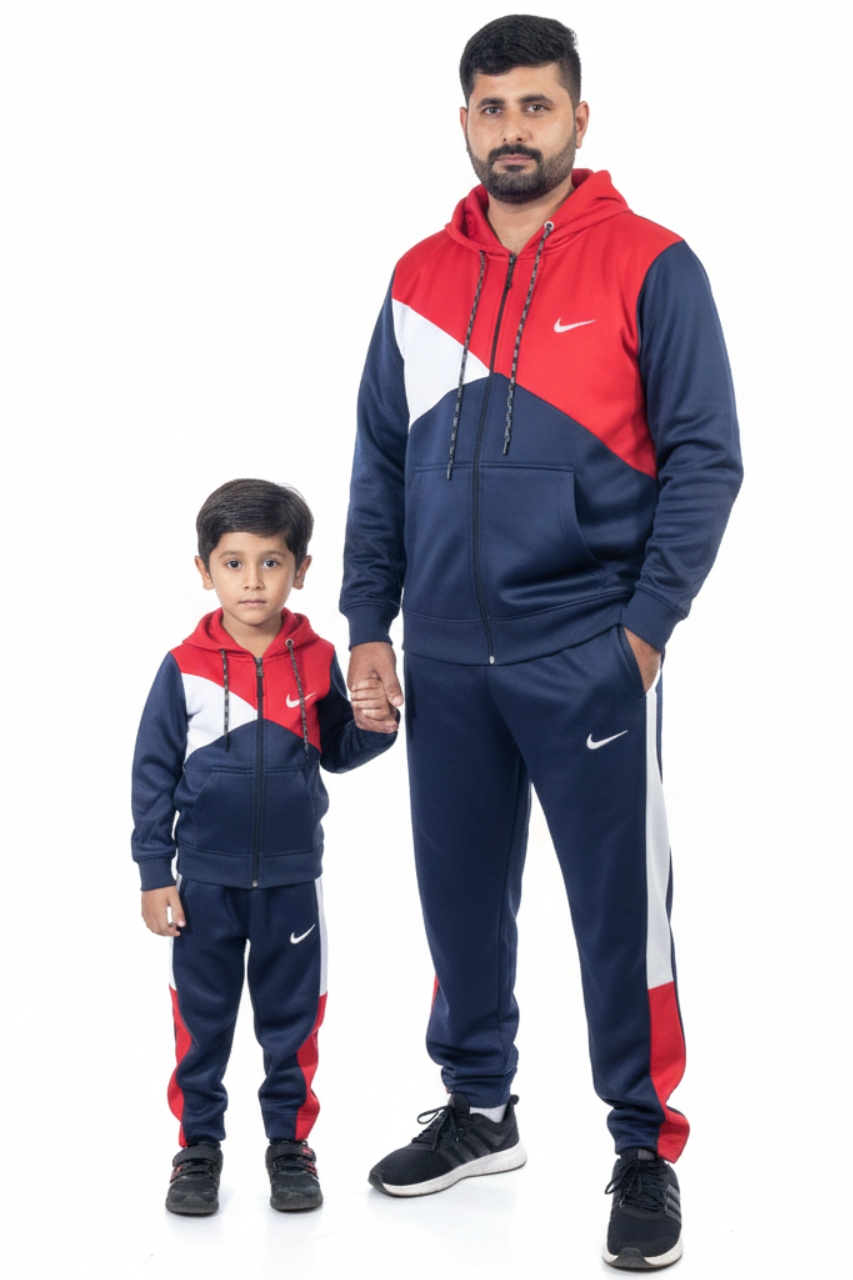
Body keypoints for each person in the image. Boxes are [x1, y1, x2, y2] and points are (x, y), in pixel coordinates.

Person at [341, 14, 742, 1270]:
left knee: (619, 912)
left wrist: (644, 631)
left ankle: (641, 1144)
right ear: (464, 121)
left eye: (535, 105)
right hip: (444, 657)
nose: (512, 129)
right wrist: (368, 624)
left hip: (587, 651)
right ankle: (479, 1107)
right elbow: (379, 464)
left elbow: (706, 459)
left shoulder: (651, 262)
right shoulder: (417, 276)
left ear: (578, 117)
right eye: (491, 107)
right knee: (459, 897)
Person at [131, 478, 397, 1216]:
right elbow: (151, 775)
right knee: (202, 1024)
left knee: (292, 1024)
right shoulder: (181, 667)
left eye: (271, 562)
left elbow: (336, 749)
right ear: (204, 570)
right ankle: (198, 1150)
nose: (253, 580)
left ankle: (290, 1147)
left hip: (291, 884)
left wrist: (375, 727)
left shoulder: (317, 659)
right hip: (202, 887)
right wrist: (154, 872)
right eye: (234, 562)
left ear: (300, 570)